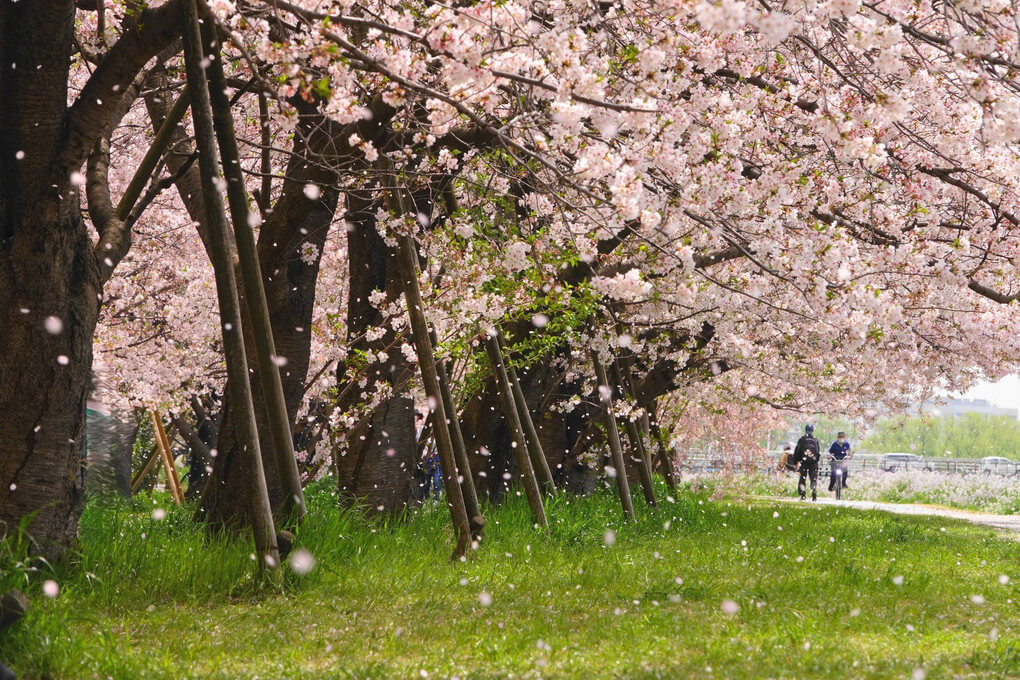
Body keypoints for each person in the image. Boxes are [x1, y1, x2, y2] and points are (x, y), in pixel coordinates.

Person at [792, 424, 820, 501]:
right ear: (813, 430)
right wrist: (816, 460)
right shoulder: (815, 440)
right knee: (813, 478)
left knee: (802, 478)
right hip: (813, 463)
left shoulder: (802, 439)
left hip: (804, 462)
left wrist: (795, 462)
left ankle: (803, 494)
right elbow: (817, 452)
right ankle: (813, 491)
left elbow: (797, 451)